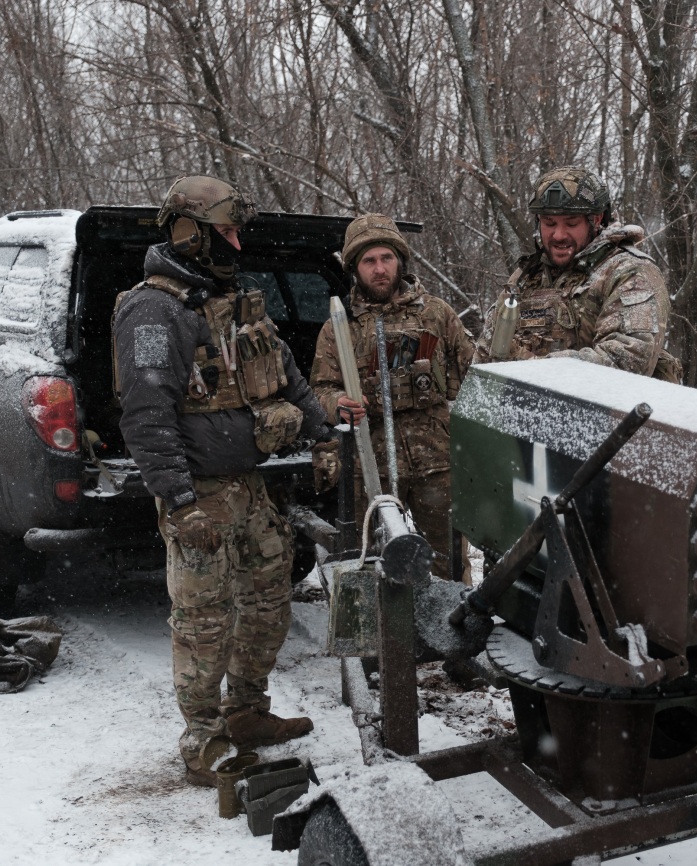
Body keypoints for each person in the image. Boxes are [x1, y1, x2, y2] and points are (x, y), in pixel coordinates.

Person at [112, 175, 336, 786]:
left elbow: (285, 372)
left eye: (238, 233)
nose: (237, 246)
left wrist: (321, 434)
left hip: (251, 488)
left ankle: (248, 714)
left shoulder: (237, 299)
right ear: (190, 233)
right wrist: (179, 501)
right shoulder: (152, 310)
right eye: (226, 233)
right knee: (203, 619)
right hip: (199, 495)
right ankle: (202, 740)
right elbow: (146, 415)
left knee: (268, 603)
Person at [310, 214, 474, 580]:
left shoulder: (436, 314)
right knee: (373, 562)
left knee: (448, 559)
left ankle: (452, 628)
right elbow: (320, 387)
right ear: (355, 268)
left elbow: (472, 375)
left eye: (387, 258)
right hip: (371, 464)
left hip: (436, 459)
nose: (380, 269)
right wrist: (337, 403)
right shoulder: (339, 326)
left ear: (401, 261)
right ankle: (388, 635)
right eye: (369, 261)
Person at [474, 165, 681, 382]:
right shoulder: (525, 278)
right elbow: (485, 357)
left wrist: (530, 368)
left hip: (609, 413)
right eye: (549, 223)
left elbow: (627, 362)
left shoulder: (631, 274)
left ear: (597, 219)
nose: (559, 235)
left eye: (571, 223)